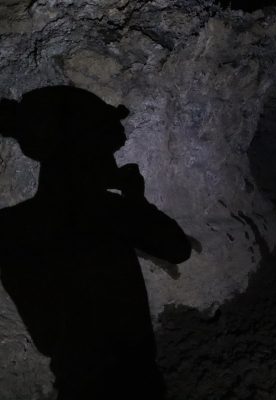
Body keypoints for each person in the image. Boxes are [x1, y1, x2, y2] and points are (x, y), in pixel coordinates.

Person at [0, 86, 191, 399]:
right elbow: (177, 248)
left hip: (76, 384)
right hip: (136, 383)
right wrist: (135, 199)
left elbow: (47, 338)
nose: (111, 162)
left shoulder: (10, 227)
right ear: (85, 155)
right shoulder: (109, 212)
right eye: (105, 152)